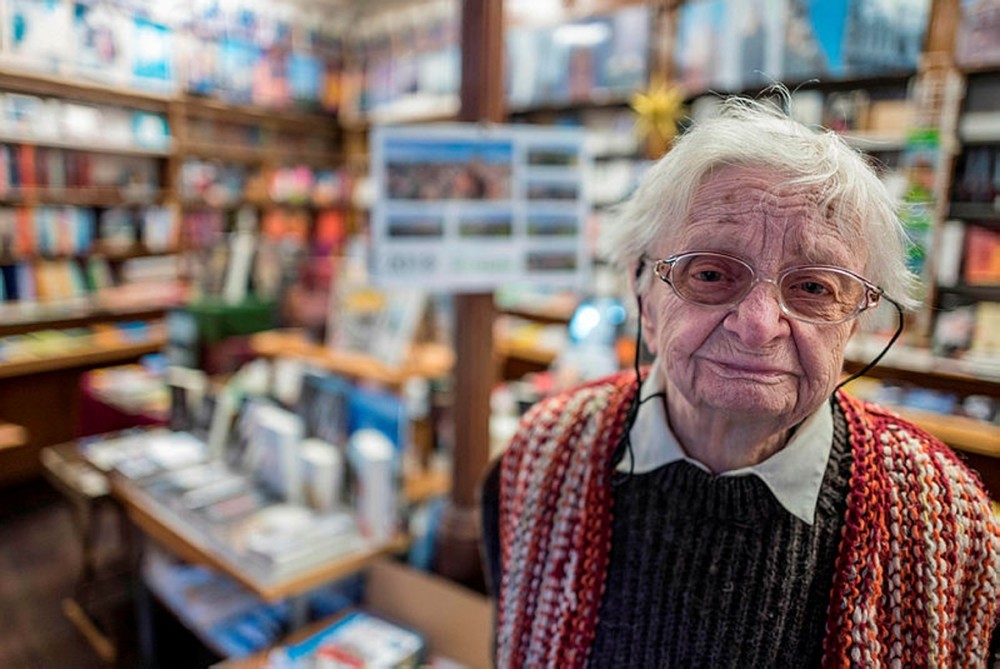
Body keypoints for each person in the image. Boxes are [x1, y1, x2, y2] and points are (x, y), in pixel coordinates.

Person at [480, 93, 999, 668]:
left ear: (854, 321)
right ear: (644, 296)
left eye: (813, 287)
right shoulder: (544, 455)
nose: (757, 326)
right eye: (710, 273)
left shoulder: (943, 520)